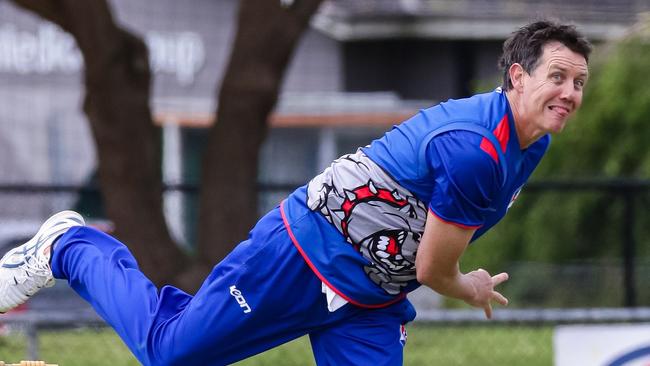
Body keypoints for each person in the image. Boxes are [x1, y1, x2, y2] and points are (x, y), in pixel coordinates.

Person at [0, 19, 591, 366]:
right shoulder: (477, 150)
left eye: (579, 83)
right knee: (169, 353)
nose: (569, 92)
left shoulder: (530, 144)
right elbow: (436, 267)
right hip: (303, 255)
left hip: (369, 298)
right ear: (517, 77)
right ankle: (70, 246)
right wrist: (471, 285)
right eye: (557, 77)